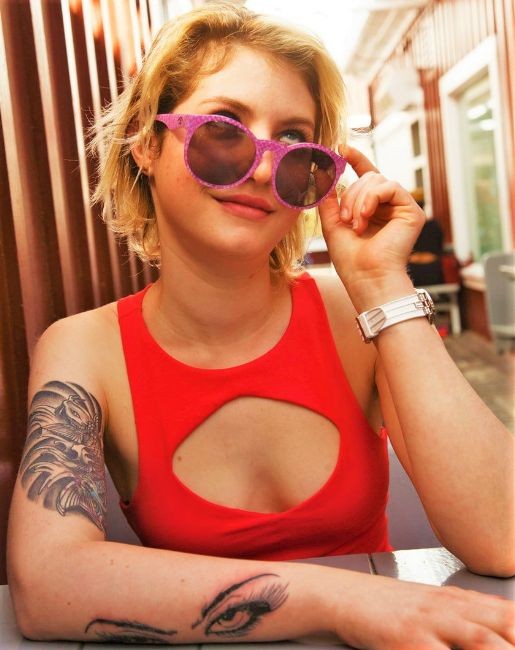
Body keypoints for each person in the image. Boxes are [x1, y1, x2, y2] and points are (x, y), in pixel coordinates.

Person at [7, 3, 514, 647]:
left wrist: (383, 285)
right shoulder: (85, 347)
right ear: (146, 143)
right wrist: (344, 600)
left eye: (296, 146)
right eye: (223, 130)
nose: (267, 169)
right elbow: (47, 583)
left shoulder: (354, 312)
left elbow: (504, 536)